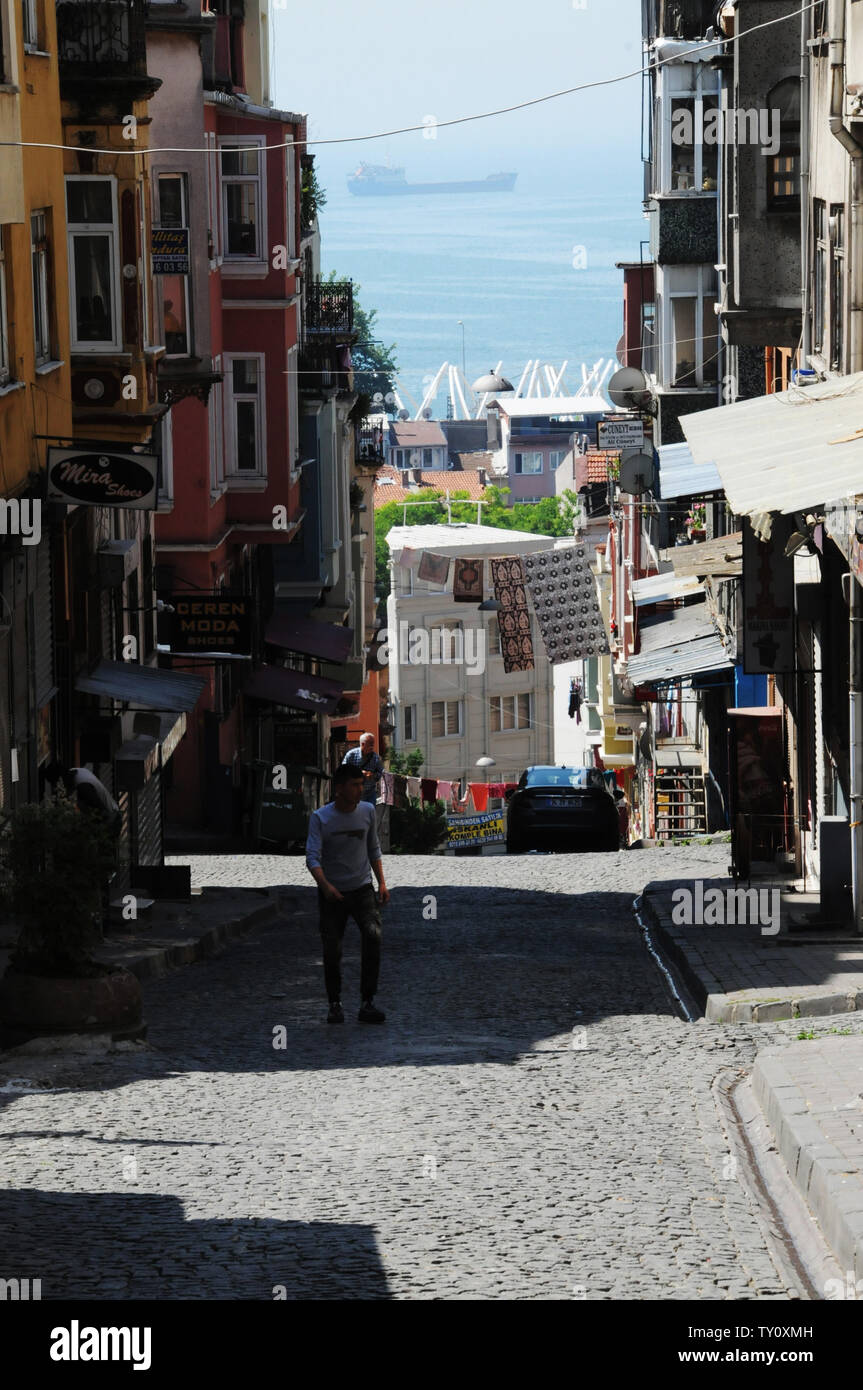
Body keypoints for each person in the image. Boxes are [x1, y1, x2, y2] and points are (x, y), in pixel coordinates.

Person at [306, 762, 390, 1025]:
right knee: (332, 949)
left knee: (373, 936)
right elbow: (312, 857)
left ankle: (367, 1001)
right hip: (333, 893)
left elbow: (373, 849)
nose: (359, 790)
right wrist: (325, 886)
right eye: (354, 785)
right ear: (339, 788)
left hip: (362, 888)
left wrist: (382, 883)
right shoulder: (321, 818)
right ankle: (335, 1004)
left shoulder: (367, 812)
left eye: (361, 785)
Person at [342, 732, 384, 805]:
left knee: (368, 815)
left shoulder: (375, 758)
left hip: (369, 794)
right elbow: (343, 770)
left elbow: (381, 773)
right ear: (362, 744)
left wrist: (373, 776)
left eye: (373, 743)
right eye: (370, 743)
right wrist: (359, 773)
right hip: (352, 794)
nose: (372, 746)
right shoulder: (351, 755)